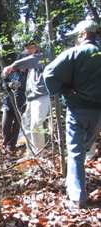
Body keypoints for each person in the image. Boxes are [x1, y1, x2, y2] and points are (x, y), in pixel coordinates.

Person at [43, 19, 101, 209]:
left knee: (76, 152)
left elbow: (49, 73)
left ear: (83, 34)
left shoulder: (75, 53)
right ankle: (73, 183)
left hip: (77, 110)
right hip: (97, 113)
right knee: (83, 150)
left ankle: (77, 198)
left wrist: (62, 91)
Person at [2, 42, 50, 156]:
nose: (28, 51)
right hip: (26, 100)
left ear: (36, 47)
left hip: (40, 97)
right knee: (27, 125)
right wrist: (10, 84)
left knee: (36, 125)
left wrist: (11, 66)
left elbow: (32, 60)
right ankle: (31, 152)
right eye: (26, 49)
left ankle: (39, 152)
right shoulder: (28, 70)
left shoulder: (42, 58)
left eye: (30, 48)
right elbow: (3, 83)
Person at [1, 68, 27, 152]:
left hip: (22, 103)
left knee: (17, 126)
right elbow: (3, 84)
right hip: (8, 101)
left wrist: (21, 86)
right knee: (5, 125)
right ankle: (6, 143)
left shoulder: (30, 73)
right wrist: (9, 84)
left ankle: (11, 146)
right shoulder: (12, 72)